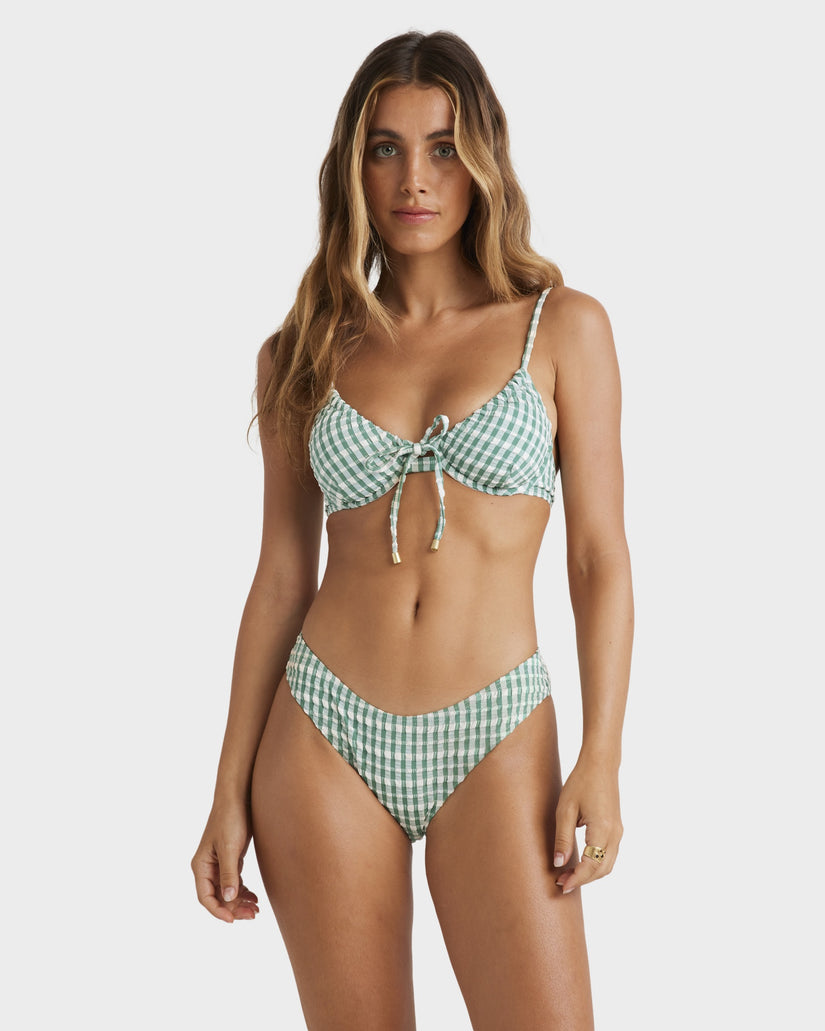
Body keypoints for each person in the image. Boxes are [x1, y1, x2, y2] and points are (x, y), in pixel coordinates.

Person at [192, 29, 633, 1030]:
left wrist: (602, 754)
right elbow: (280, 576)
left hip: (497, 728)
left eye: (442, 147)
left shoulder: (563, 327)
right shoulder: (302, 352)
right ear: (353, 168)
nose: (414, 179)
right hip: (322, 730)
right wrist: (225, 790)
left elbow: (598, 557)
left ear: (482, 160)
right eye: (384, 148)